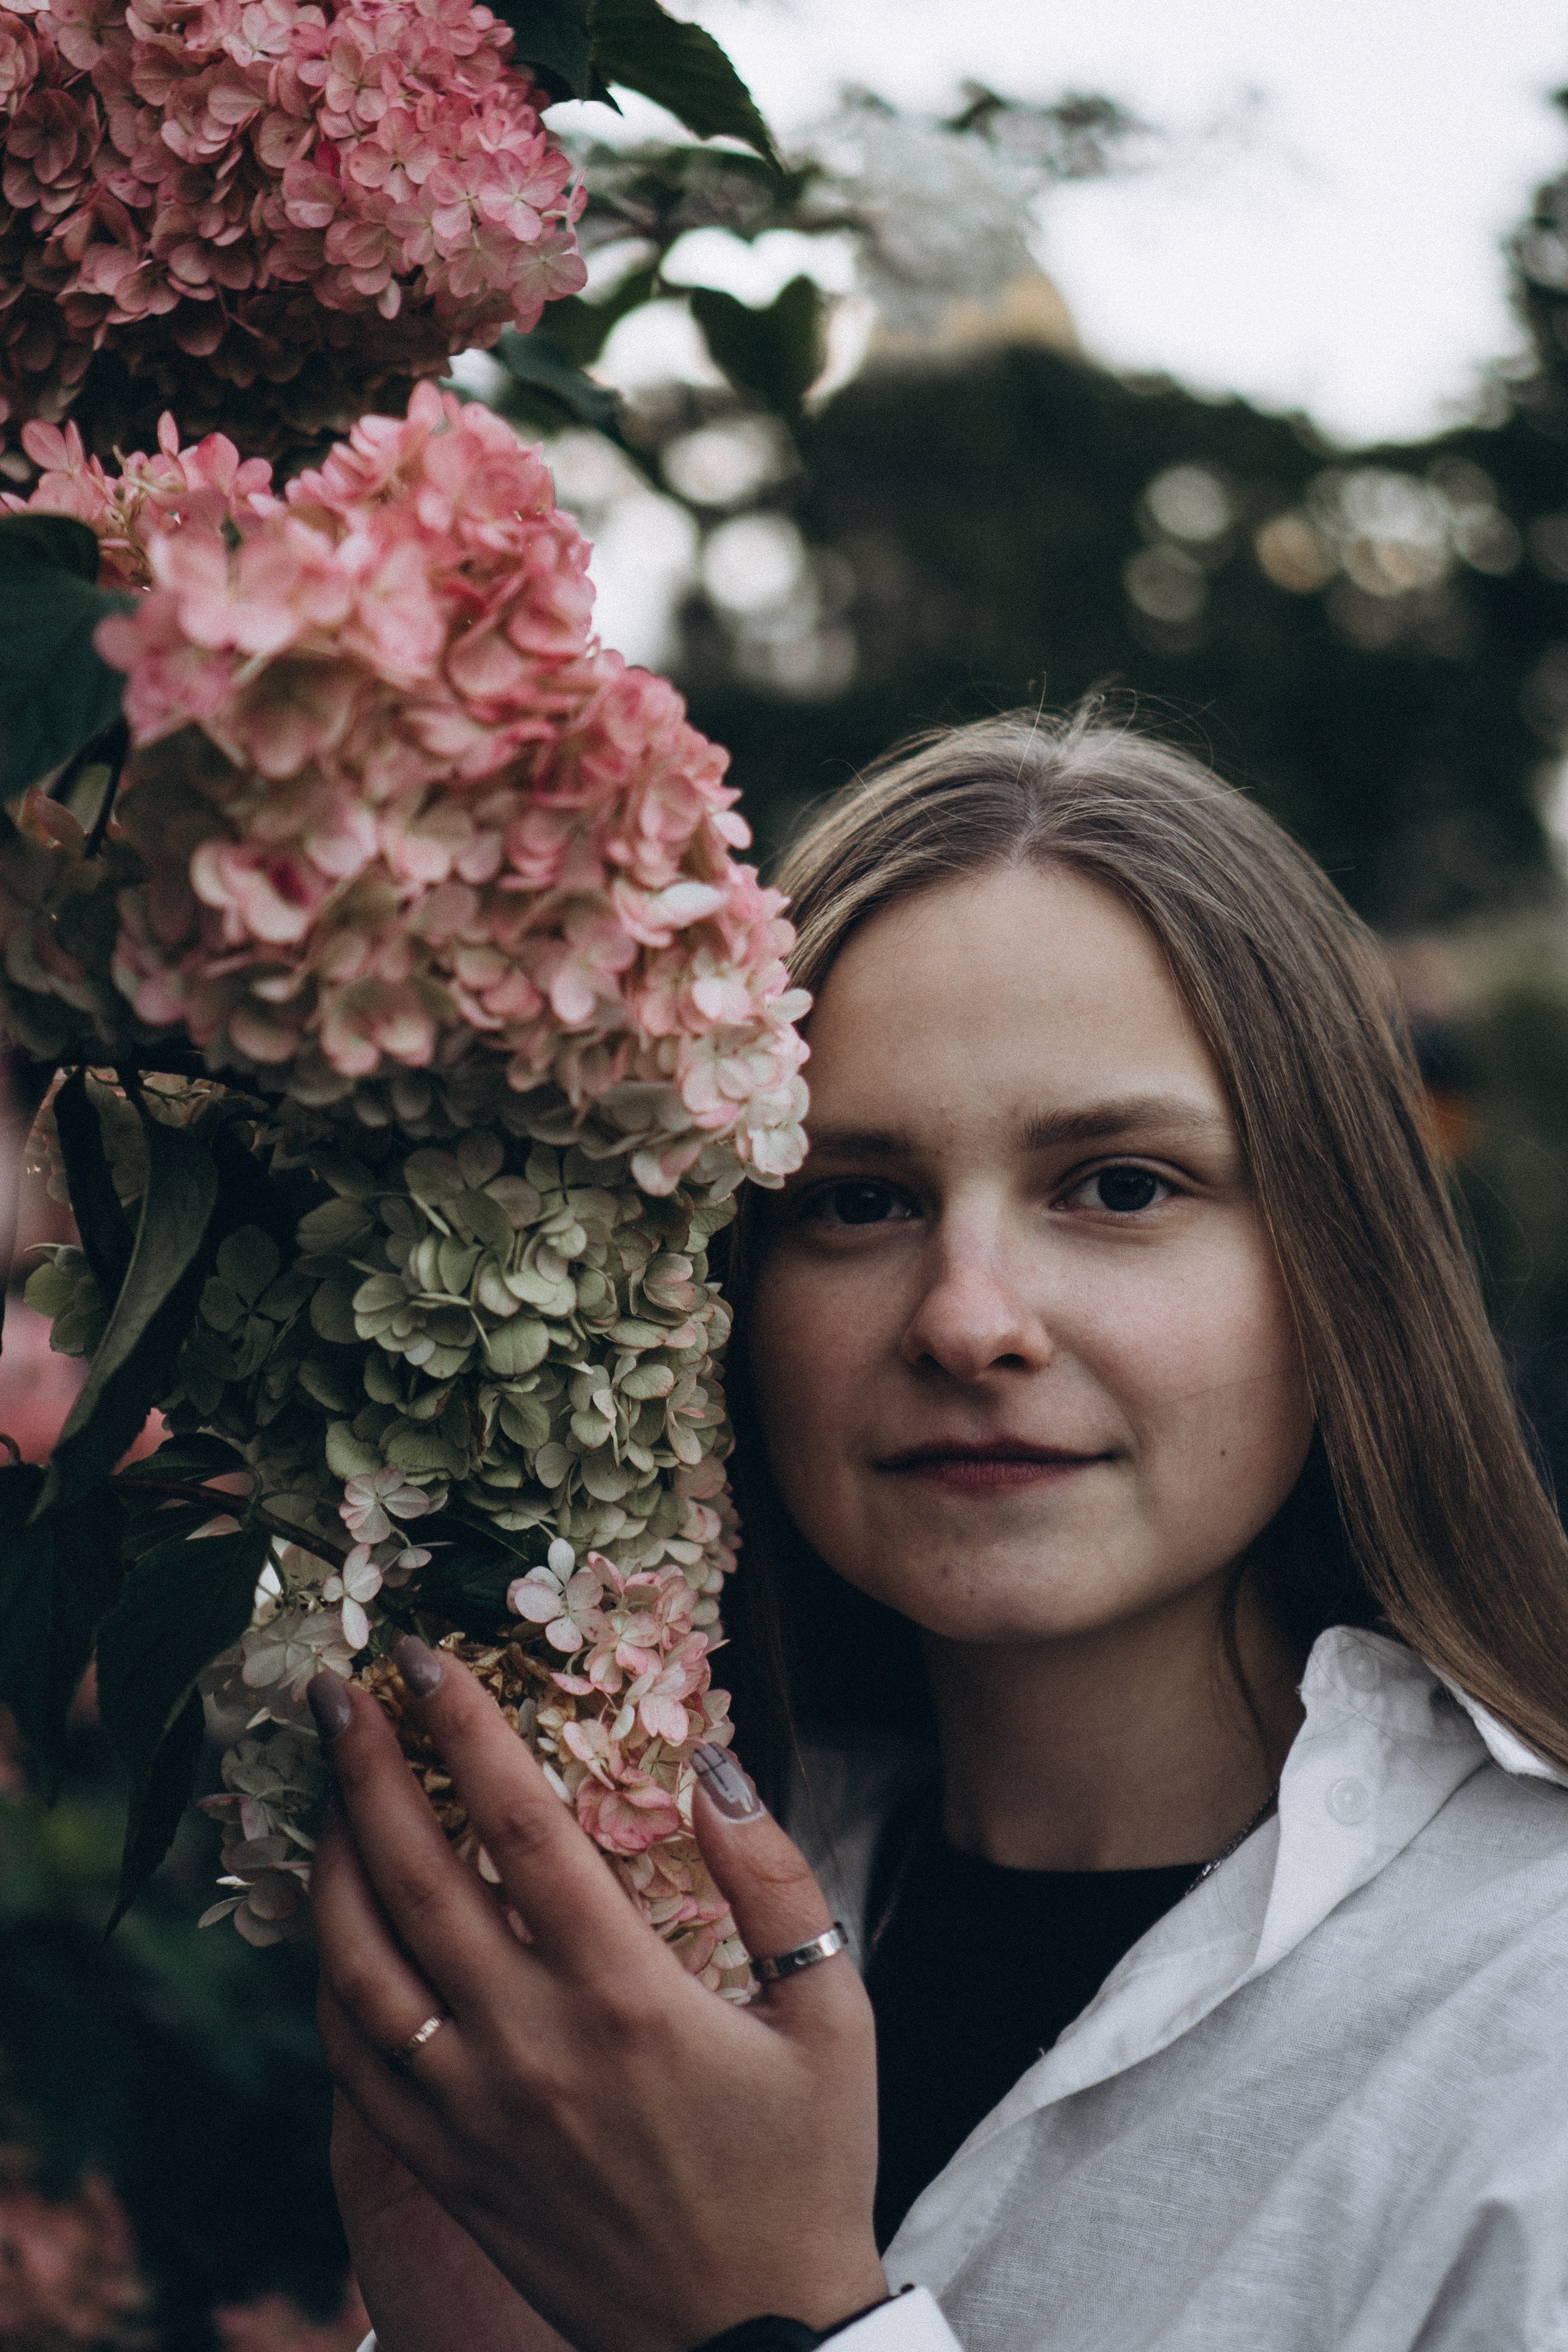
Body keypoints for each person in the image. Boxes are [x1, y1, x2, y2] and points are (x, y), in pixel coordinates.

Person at [306, 707, 1568, 2352]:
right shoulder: (626, 1962)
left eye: (1119, 1186)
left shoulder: (1522, 2008)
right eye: (857, 1200)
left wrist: (770, 2328)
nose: (970, 1320)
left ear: (1343, 1264)